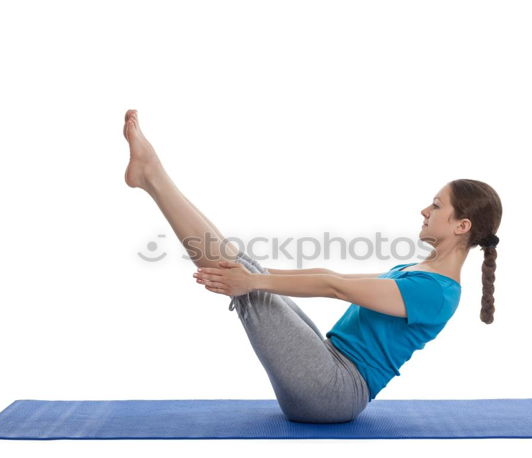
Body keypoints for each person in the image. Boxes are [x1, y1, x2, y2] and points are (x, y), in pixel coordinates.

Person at [122, 109, 503, 423]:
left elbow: (334, 286)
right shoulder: (419, 272)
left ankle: (153, 175)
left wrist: (253, 280)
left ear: (461, 226)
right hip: (329, 368)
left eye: (436, 206)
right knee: (247, 271)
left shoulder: (436, 293)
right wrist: (254, 276)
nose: (425, 210)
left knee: (250, 285)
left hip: (334, 392)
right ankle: (150, 176)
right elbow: (331, 280)